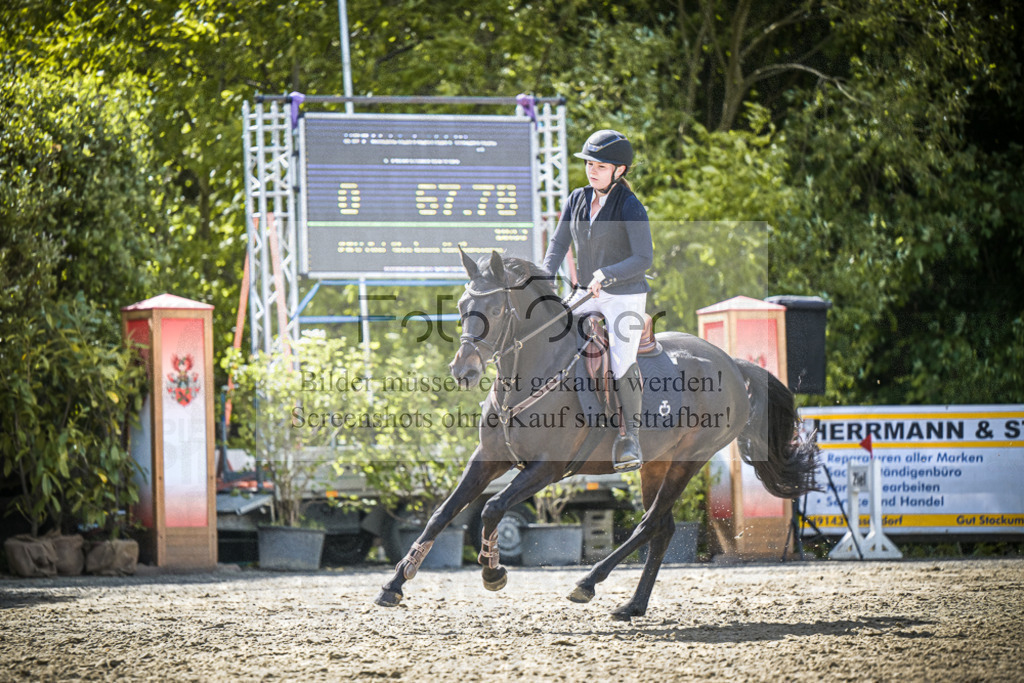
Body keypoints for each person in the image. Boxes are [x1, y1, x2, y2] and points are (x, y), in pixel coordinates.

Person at [541, 129, 653, 472]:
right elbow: (559, 245)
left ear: (619, 170)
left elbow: (644, 258)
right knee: (547, 331)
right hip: (584, 292)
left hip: (623, 294)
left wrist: (607, 274)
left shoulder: (630, 206)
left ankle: (629, 438)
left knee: (620, 360)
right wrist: (545, 277)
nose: (592, 170)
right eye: (589, 163)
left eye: (600, 165)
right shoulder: (576, 198)